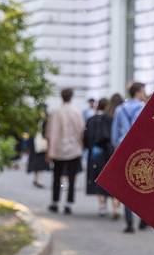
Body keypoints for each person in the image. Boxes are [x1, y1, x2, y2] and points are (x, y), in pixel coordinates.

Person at [112, 80, 148, 233]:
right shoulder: (144, 108)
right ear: (138, 92)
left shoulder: (120, 109)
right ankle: (142, 218)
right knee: (142, 183)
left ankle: (129, 222)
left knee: (126, 185)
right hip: (140, 149)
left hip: (123, 148)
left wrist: (117, 147)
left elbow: (114, 134)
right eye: (143, 91)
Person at [46, 87, 85, 215]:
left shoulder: (55, 112)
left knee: (56, 177)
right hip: (73, 149)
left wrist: (48, 150)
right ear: (71, 96)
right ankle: (68, 204)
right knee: (72, 178)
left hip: (57, 149)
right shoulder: (76, 112)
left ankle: (55, 202)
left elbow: (49, 132)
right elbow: (81, 130)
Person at [84, 96, 117, 218]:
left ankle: (102, 206)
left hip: (95, 153)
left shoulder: (91, 119)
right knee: (110, 179)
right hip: (109, 153)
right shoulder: (111, 119)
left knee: (97, 177)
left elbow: (86, 137)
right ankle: (114, 205)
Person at [27, 105, 49, 188]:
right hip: (38, 143)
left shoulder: (41, 120)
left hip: (38, 143)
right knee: (39, 162)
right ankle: (37, 180)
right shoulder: (41, 120)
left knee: (38, 162)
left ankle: (37, 179)